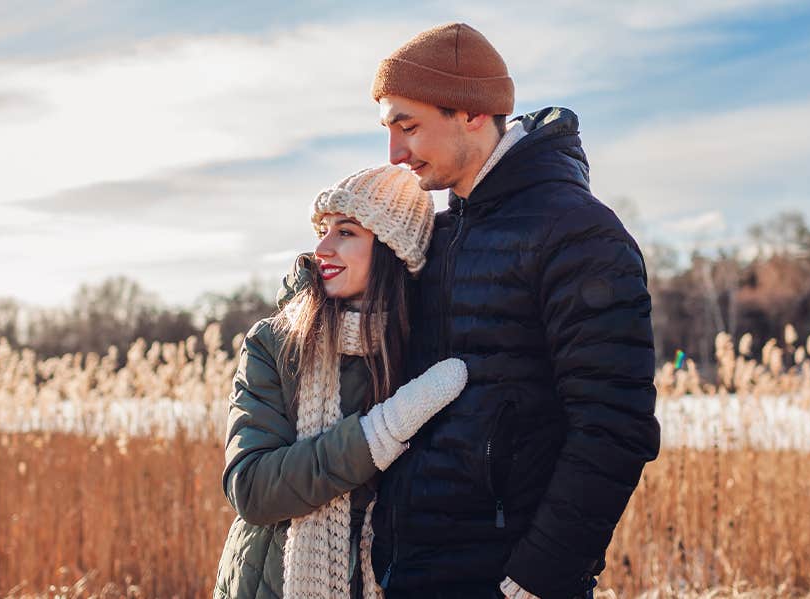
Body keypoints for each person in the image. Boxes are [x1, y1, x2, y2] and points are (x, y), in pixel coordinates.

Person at [280, 23, 661, 599]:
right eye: (388, 130)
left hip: (504, 578)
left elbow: (615, 426)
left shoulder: (578, 234)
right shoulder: (433, 232)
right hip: (407, 571)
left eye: (408, 126)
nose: (395, 153)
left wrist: (538, 578)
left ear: (473, 114)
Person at [213, 165, 470, 599]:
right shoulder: (276, 343)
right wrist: (378, 433)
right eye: (324, 230)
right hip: (272, 584)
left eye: (346, 232)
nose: (322, 248)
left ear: (393, 249)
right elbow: (252, 487)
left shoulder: (420, 352)